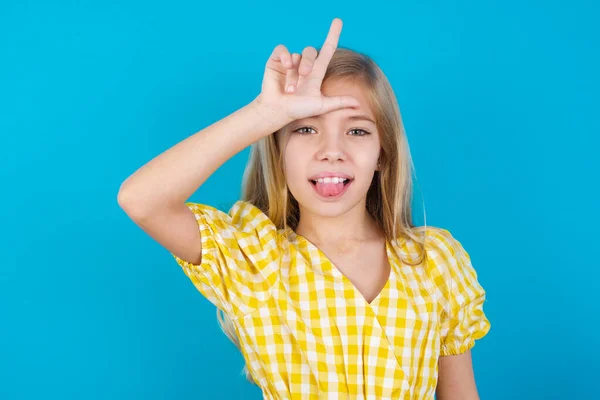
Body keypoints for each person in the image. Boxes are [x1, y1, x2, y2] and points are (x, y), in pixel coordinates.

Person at [118, 18, 491, 400]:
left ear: (383, 153)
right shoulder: (253, 258)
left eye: (358, 130)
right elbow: (141, 200)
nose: (332, 150)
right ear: (278, 153)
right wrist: (265, 113)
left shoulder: (436, 261)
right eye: (305, 129)